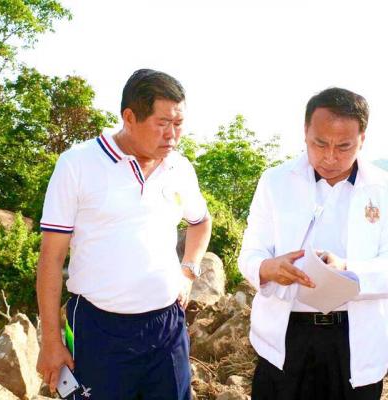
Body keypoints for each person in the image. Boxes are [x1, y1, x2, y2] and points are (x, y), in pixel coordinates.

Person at [36, 69, 212, 400]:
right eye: (162, 123)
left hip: (166, 327)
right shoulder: (77, 164)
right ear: (129, 117)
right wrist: (51, 341)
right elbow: (51, 258)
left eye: (178, 124)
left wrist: (188, 270)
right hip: (99, 331)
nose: (172, 135)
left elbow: (201, 222)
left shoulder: (179, 168)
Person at [238, 87, 388, 400]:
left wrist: (347, 269)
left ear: (362, 139)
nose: (330, 157)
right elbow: (251, 253)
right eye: (319, 143)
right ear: (305, 132)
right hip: (285, 338)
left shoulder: (382, 188)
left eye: (344, 146)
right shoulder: (275, 181)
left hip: (354, 341)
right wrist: (269, 268)